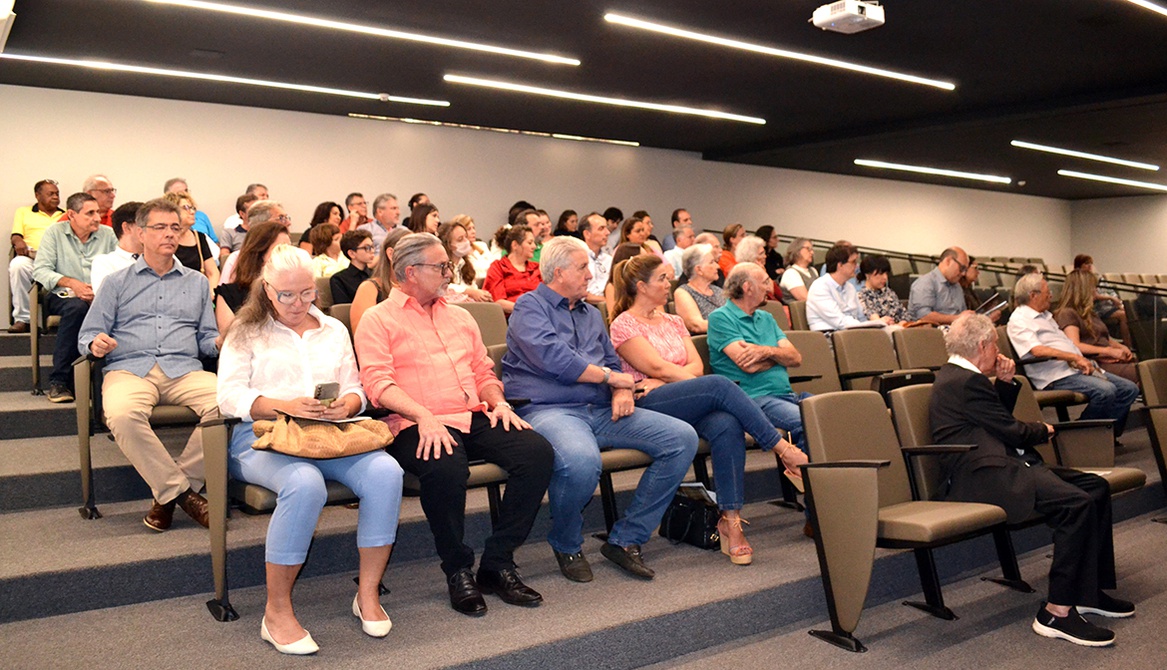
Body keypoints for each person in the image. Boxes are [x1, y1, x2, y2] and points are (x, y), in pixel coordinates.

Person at [355, 233, 554, 616]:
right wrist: (422, 415)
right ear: (410, 272)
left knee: (537, 452)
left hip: (471, 415)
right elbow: (378, 384)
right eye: (441, 266)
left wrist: (498, 403)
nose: (450, 272)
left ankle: (497, 564)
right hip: (413, 421)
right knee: (445, 466)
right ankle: (458, 569)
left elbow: (483, 371)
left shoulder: (461, 315)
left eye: (448, 264)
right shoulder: (378, 319)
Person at [218, 245, 403, 655]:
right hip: (263, 436)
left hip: (328, 433)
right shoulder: (245, 331)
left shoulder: (333, 329)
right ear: (266, 289)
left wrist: (348, 405)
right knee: (304, 483)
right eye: (286, 295)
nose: (297, 303)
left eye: (306, 293)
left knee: (387, 473)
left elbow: (355, 387)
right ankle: (276, 611)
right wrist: (282, 403)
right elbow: (228, 397)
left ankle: (367, 593)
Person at [502, 236, 698, 581]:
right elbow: (557, 361)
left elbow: (612, 362)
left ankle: (626, 539)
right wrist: (614, 380)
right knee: (581, 462)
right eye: (582, 267)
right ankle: (566, 542)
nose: (590, 274)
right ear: (558, 272)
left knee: (681, 438)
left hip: (598, 406)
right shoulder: (529, 307)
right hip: (550, 409)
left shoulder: (592, 314)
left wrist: (620, 389)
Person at [931, 313, 1131, 647]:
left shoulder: (963, 377)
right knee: (1076, 503)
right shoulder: (964, 381)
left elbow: (991, 420)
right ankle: (1056, 612)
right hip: (984, 475)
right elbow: (1010, 430)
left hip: (1000, 462)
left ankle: (1087, 593)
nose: (999, 350)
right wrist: (1043, 429)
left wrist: (1006, 384)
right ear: (982, 345)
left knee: (1094, 487)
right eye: (996, 343)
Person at [609, 254, 808, 564]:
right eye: (662, 279)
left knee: (727, 424)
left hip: (677, 394)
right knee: (719, 385)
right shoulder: (624, 323)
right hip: (648, 404)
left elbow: (696, 367)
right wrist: (665, 378)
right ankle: (783, 449)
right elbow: (655, 364)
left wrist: (663, 380)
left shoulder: (673, 321)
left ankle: (730, 521)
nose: (669, 284)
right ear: (640, 287)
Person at [78, 197, 220, 532]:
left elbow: (205, 339)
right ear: (140, 233)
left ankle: (169, 494)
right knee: (122, 413)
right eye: (159, 227)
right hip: (129, 369)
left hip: (184, 370)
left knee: (228, 403)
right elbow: (87, 334)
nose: (169, 234)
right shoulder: (116, 282)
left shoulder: (197, 282)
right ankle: (184, 494)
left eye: (175, 227)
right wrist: (96, 343)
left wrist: (219, 342)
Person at [1008, 274, 1139, 436]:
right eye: (1046, 292)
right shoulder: (1020, 319)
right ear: (1033, 295)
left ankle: (1106, 438)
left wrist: (1081, 359)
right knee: (1106, 391)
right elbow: (1037, 350)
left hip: (1074, 369)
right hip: (1055, 376)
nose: (1051, 295)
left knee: (1129, 389)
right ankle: (1076, 435)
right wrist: (1075, 357)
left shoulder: (1045, 316)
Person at [708, 263, 812, 459]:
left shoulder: (766, 317)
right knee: (808, 422)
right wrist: (779, 356)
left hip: (787, 395)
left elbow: (796, 358)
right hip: (756, 399)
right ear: (747, 287)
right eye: (765, 282)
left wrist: (765, 351)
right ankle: (809, 481)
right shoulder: (720, 318)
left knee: (834, 414)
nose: (770, 287)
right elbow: (750, 365)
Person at [32, 193, 118, 402]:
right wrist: (73, 283)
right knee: (77, 308)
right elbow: (40, 271)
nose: (97, 217)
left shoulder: (108, 235)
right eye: (90, 213)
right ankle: (60, 381)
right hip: (63, 295)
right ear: (71, 214)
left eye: (98, 212)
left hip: (101, 296)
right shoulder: (55, 233)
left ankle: (109, 383)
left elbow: (121, 267)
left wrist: (99, 292)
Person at [1054, 270, 1138, 384]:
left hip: (1109, 360)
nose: (1096, 291)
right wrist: (1108, 351)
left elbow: (1104, 338)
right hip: (1095, 363)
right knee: (1147, 373)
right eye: (1093, 287)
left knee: (1152, 369)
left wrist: (1121, 347)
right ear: (1083, 290)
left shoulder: (1090, 313)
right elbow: (1075, 345)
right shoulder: (1067, 313)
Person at [215, 222, 291, 336]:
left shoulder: (296, 292)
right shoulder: (229, 294)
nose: (289, 256)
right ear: (258, 255)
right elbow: (230, 341)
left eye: (290, 249)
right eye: (280, 250)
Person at [9, 179, 65, 333]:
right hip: (32, 257)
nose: (55, 197)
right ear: (37, 195)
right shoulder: (23, 212)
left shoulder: (66, 214)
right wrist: (18, 241)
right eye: (51, 194)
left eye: (57, 194)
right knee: (17, 265)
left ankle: (65, 318)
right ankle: (23, 319)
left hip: (58, 260)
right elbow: (16, 235)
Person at [807, 243, 895, 332]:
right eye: (853, 262)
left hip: (851, 333)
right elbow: (840, 322)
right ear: (840, 265)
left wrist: (877, 323)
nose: (857, 266)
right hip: (829, 336)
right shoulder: (820, 287)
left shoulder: (850, 288)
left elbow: (861, 318)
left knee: (892, 331)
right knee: (886, 335)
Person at [350, 228, 409, 335]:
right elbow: (364, 337)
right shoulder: (369, 289)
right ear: (391, 254)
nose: (417, 258)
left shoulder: (418, 288)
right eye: (410, 252)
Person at [219, 201, 292, 285]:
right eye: (281, 218)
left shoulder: (295, 257)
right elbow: (227, 294)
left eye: (287, 217)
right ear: (261, 225)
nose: (289, 223)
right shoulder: (237, 259)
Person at [163, 191, 219, 287]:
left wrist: (211, 291)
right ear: (172, 211)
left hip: (201, 291)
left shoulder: (199, 237)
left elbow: (213, 272)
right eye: (186, 208)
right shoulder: (164, 239)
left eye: (192, 208)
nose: (192, 212)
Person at [483, 224, 541, 315]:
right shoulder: (498, 267)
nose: (534, 246)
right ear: (515, 245)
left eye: (534, 243)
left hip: (539, 315)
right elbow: (498, 302)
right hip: (512, 318)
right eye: (530, 243)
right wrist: (527, 310)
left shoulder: (537, 268)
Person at [1074, 254, 1131, 345]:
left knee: (1129, 311)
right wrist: (1110, 298)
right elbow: (1093, 296)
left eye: (1091, 263)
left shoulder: (1098, 277)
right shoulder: (1080, 279)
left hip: (1108, 306)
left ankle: (1133, 343)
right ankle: (1128, 344)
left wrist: (1117, 301)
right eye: (1086, 263)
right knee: (1123, 315)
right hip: (1095, 308)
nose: (1089, 266)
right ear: (1079, 265)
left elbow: (1110, 290)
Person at [908, 247, 974, 325]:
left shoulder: (957, 286)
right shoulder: (925, 283)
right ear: (948, 261)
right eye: (962, 268)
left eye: (965, 270)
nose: (963, 274)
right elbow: (923, 316)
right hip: (931, 333)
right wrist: (957, 318)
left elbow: (962, 313)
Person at [90, 202, 145, 296]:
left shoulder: (165, 257)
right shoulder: (105, 263)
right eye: (145, 225)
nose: (154, 231)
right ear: (127, 227)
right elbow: (107, 300)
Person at [673, 243, 725, 334]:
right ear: (699, 270)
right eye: (712, 262)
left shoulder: (718, 290)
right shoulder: (683, 292)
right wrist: (732, 327)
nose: (718, 266)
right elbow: (697, 325)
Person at [437, 221, 492, 302]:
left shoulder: (466, 265)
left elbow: (474, 290)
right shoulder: (439, 267)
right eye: (460, 239)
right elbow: (442, 288)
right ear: (448, 245)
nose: (466, 241)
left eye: (466, 237)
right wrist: (468, 292)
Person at [856, 254, 910, 324]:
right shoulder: (861, 296)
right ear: (868, 274)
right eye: (881, 273)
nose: (885, 277)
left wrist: (901, 324)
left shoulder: (888, 292)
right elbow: (874, 319)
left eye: (886, 273)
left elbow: (904, 315)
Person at [163, 177, 218, 244]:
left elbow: (215, 242)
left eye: (186, 191)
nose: (185, 194)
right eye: (185, 207)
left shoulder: (201, 216)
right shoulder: (164, 234)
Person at [330, 229, 376, 306]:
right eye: (367, 248)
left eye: (372, 247)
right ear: (352, 253)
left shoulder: (377, 275)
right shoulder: (338, 279)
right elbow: (343, 309)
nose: (372, 251)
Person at [581, 212, 612, 305]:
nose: (607, 232)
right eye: (601, 228)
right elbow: (582, 294)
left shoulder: (609, 260)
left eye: (606, 228)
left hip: (607, 306)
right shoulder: (577, 260)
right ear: (587, 234)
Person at [218, 193, 260, 263]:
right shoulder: (229, 233)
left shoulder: (266, 232)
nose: (258, 213)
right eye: (253, 210)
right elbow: (224, 256)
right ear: (242, 214)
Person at [734, 236, 777, 300]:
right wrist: (764, 274)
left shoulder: (762, 270)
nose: (765, 256)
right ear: (751, 257)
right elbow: (771, 291)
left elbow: (778, 293)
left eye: (764, 252)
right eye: (761, 254)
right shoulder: (745, 275)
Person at [778, 237, 817, 302]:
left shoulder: (813, 271)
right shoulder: (791, 273)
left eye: (812, 249)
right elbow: (805, 298)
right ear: (797, 250)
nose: (812, 252)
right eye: (808, 249)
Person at [458, 215, 495, 281]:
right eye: (469, 229)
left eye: (473, 228)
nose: (473, 232)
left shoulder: (482, 245)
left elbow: (494, 266)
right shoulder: (459, 253)